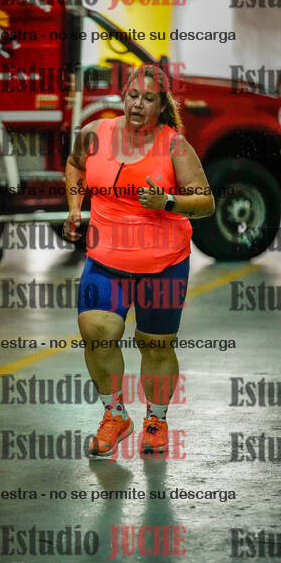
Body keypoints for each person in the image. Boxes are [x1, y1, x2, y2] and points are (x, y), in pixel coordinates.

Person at [64, 64, 214, 457]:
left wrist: (167, 201)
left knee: (155, 346)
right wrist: (75, 209)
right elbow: (75, 165)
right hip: (106, 259)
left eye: (148, 99)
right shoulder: (95, 134)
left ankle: (155, 420)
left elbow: (205, 202)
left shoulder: (175, 146)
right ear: (123, 96)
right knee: (96, 331)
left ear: (161, 106)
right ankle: (115, 415)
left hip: (163, 264)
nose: (137, 105)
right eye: (132, 96)